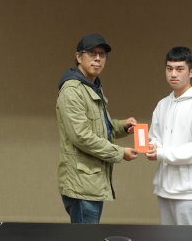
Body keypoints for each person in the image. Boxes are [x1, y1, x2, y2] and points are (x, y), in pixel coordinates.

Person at [56, 33, 139, 224]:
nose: (98, 59)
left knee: (89, 234)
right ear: (79, 57)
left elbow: (100, 128)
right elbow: (81, 136)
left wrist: (122, 126)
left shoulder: (92, 87)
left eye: (102, 55)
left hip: (91, 182)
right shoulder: (72, 90)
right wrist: (120, 153)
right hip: (81, 184)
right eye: (92, 54)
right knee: (85, 236)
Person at [146, 46, 192, 225]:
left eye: (179, 69)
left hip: (189, 192)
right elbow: (155, 136)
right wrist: (153, 147)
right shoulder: (163, 104)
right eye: (169, 69)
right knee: (166, 237)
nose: (173, 74)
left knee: (188, 237)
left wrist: (161, 153)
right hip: (164, 188)